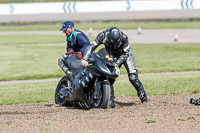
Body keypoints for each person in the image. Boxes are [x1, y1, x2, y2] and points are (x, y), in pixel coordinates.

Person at [81, 27, 148, 103]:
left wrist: (117, 63)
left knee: (133, 78)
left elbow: (125, 53)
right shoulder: (102, 35)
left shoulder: (124, 37)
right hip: (111, 55)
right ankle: (110, 98)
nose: (115, 45)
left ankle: (143, 98)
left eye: (117, 42)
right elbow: (91, 46)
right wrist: (85, 58)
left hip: (125, 55)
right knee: (109, 76)